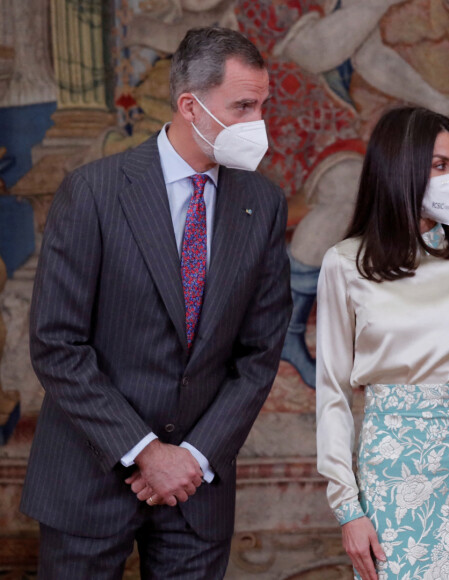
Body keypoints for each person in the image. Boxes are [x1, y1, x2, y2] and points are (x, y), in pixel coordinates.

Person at [20, 27, 292, 579]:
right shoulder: (93, 192)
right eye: (243, 106)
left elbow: (259, 354)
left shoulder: (262, 202)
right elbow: (57, 344)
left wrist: (190, 458)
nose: (258, 123)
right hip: (86, 482)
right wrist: (146, 452)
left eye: (263, 105)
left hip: (198, 490)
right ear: (191, 106)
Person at [316, 107, 449, 580]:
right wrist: (347, 507)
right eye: (439, 165)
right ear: (400, 167)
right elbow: (331, 392)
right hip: (390, 477)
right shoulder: (344, 263)